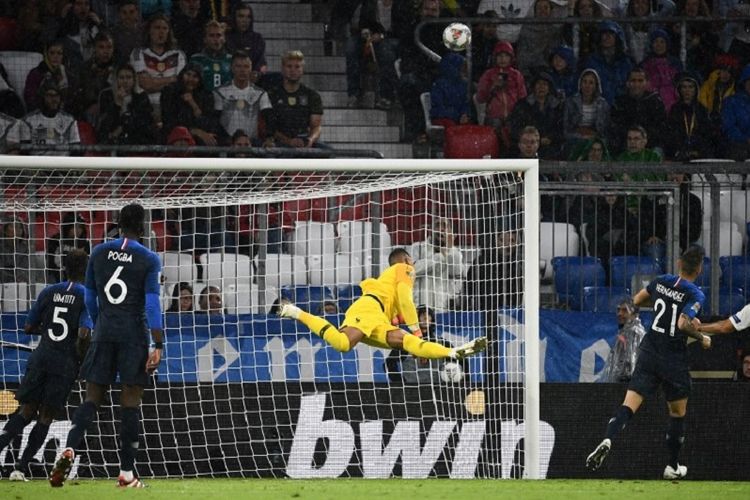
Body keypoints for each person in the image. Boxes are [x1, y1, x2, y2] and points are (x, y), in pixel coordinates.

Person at [49, 203, 163, 489]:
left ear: (117, 223)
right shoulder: (149, 259)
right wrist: (158, 342)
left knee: (92, 399)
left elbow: (89, 298)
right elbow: (151, 303)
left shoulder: (97, 253)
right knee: (130, 403)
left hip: (104, 332)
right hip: (133, 337)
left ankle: (71, 448)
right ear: (142, 226)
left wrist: (101, 323)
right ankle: (126, 473)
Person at [586, 245, 709, 480]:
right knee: (677, 413)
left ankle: (608, 438)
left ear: (679, 263)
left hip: (650, 351)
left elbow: (635, 301)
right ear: (700, 269)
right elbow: (683, 325)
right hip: (674, 359)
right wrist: (701, 336)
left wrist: (662, 306)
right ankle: (672, 466)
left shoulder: (661, 281)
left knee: (628, 405)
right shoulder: (695, 294)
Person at [277, 248, 487, 363]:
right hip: (368, 308)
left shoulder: (390, 282)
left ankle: (451, 353)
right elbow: (406, 301)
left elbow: (400, 308)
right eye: (411, 262)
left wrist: (419, 344)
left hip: (378, 319)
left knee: (407, 342)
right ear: (407, 259)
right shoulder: (404, 269)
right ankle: (296, 312)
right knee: (343, 344)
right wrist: (418, 332)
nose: (413, 267)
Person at [0, 249, 92, 482]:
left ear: (64, 268)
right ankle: (19, 468)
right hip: (64, 363)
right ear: (86, 270)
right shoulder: (86, 295)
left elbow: (28, 328)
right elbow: (83, 332)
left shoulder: (49, 291)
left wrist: (49, 333)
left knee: (26, 411)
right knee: (45, 417)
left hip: (41, 357)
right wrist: (80, 356)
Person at [129, 13, 187, 123]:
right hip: (146, 107)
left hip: (172, 106)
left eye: (165, 28)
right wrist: (171, 79)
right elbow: (146, 84)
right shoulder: (138, 53)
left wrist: (155, 81)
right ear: (149, 30)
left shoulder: (179, 54)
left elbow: (180, 84)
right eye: (157, 28)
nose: (161, 32)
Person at [344, 0, 399, 110]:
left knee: (386, 52)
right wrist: (366, 31)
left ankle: (386, 96)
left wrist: (382, 36)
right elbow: (363, 22)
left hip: (391, 38)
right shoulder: (370, 3)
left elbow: (402, 29)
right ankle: (353, 94)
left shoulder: (400, 5)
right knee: (351, 48)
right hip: (371, 37)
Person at [266, 50, 327, 149]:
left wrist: (310, 140)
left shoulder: (312, 95)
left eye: (297, 67)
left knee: (328, 152)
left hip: (304, 141)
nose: (293, 70)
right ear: (282, 69)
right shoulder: (271, 95)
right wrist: (289, 141)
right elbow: (270, 127)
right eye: (289, 66)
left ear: (302, 70)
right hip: (280, 143)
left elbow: (316, 126)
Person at [385, 306, 459, 384]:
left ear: (432, 320)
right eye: (422, 315)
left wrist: (461, 378)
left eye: (428, 315)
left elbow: (459, 358)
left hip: (437, 390)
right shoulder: (406, 342)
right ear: (416, 319)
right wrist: (400, 382)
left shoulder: (442, 343)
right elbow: (388, 363)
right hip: (412, 391)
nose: (425, 318)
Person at [213, 51, 272, 144]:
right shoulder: (220, 92)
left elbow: (269, 120)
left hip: (252, 144)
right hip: (227, 144)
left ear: (251, 68)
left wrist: (269, 139)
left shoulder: (260, 94)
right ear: (231, 68)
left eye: (246, 66)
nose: (242, 70)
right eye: (238, 66)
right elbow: (215, 122)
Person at [409, 217, 466, 312]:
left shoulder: (456, 252)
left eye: (445, 225)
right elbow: (412, 270)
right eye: (437, 225)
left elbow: (456, 273)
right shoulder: (417, 247)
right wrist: (440, 256)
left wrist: (450, 250)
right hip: (420, 306)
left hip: (443, 307)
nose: (441, 229)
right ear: (431, 229)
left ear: (451, 231)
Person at [609, 67, 666, 154]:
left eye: (640, 81)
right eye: (633, 81)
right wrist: (632, 141)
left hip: (650, 145)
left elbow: (661, 129)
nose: (636, 84)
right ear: (627, 83)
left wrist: (642, 141)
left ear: (646, 83)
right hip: (625, 145)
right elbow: (616, 128)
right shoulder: (619, 103)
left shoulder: (655, 102)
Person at [97, 63, 157, 145]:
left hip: (136, 138)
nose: (125, 81)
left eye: (129, 77)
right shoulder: (106, 95)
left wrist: (122, 127)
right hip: (111, 139)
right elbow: (105, 123)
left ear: (134, 79)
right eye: (121, 78)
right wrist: (117, 104)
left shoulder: (141, 96)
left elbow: (143, 120)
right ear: (116, 79)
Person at [18, 78, 81, 156]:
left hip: (62, 164)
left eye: (57, 95)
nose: (54, 99)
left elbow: (76, 150)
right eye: (50, 95)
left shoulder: (70, 120)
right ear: (42, 98)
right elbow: (24, 152)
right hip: (38, 165)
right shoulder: (28, 121)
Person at [509, 71, 564, 159]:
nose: (541, 87)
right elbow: (515, 127)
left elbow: (560, 128)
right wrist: (530, 139)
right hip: (526, 145)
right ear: (533, 86)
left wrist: (550, 138)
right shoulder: (522, 104)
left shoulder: (557, 107)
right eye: (538, 84)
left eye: (544, 84)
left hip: (550, 146)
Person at [160, 63, 218, 146]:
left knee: (211, 140)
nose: (190, 79)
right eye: (188, 74)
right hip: (174, 134)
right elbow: (169, 121)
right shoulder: (169, 91)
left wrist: (193, 104)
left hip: (198, 138)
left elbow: (208, 122)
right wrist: (193, 130)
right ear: (182, 74)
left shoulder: (206, 95)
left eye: (195, 76)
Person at [664, 72, 715, 161]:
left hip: (699, 151)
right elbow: (672, 132)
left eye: (691, 87)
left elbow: (706, 133)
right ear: (679, 89)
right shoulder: (675, 109)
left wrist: (697, 149)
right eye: (684, 87)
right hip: (679, 151)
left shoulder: (701, 109)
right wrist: (682, 149)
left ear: (696, 89)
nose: (687, 90)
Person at [581, 21, 633, 106]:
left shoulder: (625, 62)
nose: (607, 37)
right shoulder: (591, 61)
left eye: (611, 34)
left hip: (622, 107)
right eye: (604, 34)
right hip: (597, 107)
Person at [69, 30, 115, 124]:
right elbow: (78, 95)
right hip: (88, 112)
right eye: (101, 47)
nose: (106, 51)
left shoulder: (119, 68)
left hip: (113, 110)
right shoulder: (84, 69)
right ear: (94, 48)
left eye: (109, 47)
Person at [598, 298, 647, 383]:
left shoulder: (633, 333)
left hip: (627, 385)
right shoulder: (626, 333)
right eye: (618, 310)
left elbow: (629, 367)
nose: (619, 314)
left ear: (634, 315)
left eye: (624, 311)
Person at [563, 68, 610, 151]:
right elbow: (566, 129)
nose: (587, 86)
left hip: (595, 140)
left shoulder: (603, 105)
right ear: (580, 84)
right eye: (584, 82)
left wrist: (593, 136)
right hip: (574, 140)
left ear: (596, 85)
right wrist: (581, 136)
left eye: (591, 83)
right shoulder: (570, 103)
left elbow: (605, 130)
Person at [23, 39, 73, 112]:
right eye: (52, 53)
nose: (56, 56)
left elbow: (71, 98)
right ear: (46, 54)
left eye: (59, 53)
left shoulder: (68, 74)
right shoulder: (36, 74)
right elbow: (30, 99)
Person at [47, 213, 91, 288]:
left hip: (79, 281)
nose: (78, 230)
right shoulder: (55, 241)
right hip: (57, 278)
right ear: (67, 227)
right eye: (74, 227)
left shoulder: (85, 243)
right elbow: (51, 264)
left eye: (80, 227)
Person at [224, 3, 267, 78]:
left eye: (248, 17)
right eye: (241, 16)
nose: (245, 20)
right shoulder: (225, 38)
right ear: (234, 18)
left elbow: (262, 64)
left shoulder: (257, 39)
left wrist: (257, 73)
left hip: (251, 82)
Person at [429, 52, 471, 128]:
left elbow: (465, 103)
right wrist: (455, 115)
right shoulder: (439, 85)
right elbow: (438, 107)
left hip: (457, 118)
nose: (464, 71)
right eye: (461, 68)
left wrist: (464, 114)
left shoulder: (461, 85)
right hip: (442, 118)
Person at [190, 20, 233, 91]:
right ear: (205, 39)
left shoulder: (231, 60)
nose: (216, 39)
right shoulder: (196, 60)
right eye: (211, 35)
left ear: (224, 39)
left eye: (219, 35)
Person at [721, 63, 750, 161]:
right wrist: (746, 139)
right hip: (740, 147)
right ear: (744, 82)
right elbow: (729, 127)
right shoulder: (731, 102)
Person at [0, 218, 30, 283]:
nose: (18, 230)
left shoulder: (25, 249)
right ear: (5, 230)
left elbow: (24, 269)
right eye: (14, 226)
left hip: (20, 284)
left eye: (20, 227)